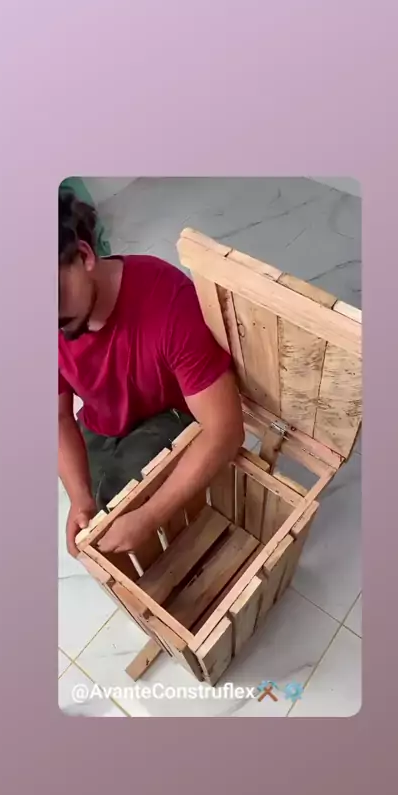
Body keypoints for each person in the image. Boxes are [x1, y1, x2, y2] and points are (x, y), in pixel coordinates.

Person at [58, 191, 245, 558]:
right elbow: (58, 416)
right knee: (95, 514)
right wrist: (79, 497)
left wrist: (150, 516)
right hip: (103, 422)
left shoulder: (168, 300)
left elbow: (226, 429)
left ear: (84, 255)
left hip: (168, 417)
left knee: (121, 510)